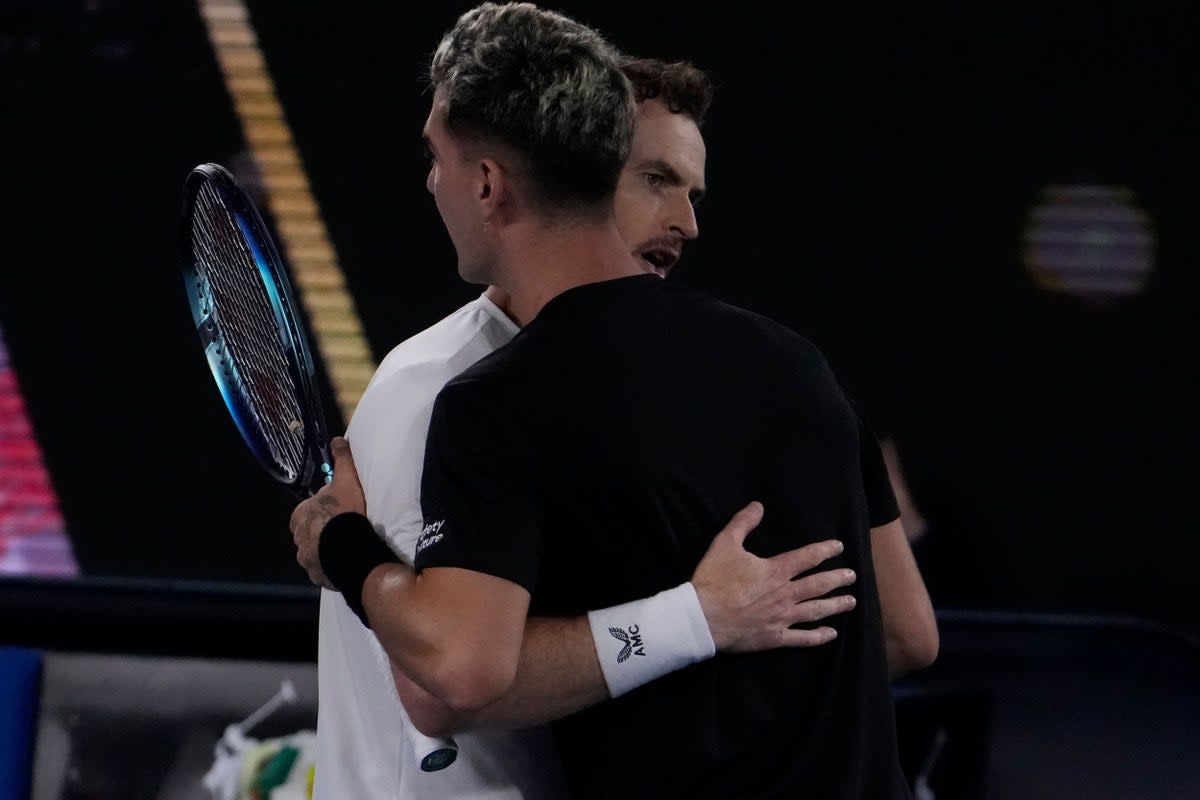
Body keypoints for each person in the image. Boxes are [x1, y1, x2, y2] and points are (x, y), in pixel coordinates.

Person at [297, 3, 937, 796]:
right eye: (659, 178)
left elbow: (450, 677)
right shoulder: (795, 361)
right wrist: (701, 627)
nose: (686, 221)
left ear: (491, 183)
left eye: (438, 157)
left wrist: (342, 547)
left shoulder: (493, 400)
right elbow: (904, 635)